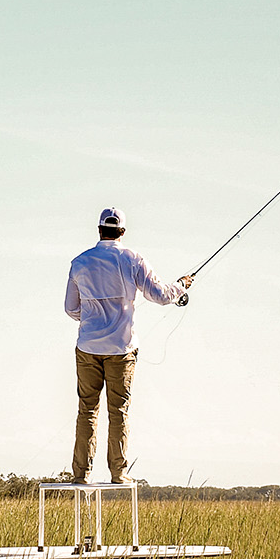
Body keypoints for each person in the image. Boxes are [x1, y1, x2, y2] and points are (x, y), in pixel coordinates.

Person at [63, 206, 191, 484]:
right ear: (121, 232)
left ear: (99, 230)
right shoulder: (133, 259)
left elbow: (71, 308)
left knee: (87, 410)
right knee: (118, 412)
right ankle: (118, 473)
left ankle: (81, 475)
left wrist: (92, 320)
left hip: (87, 348)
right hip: (121, 350)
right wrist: (181, 284)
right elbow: (159, 295)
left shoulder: (79, 262)